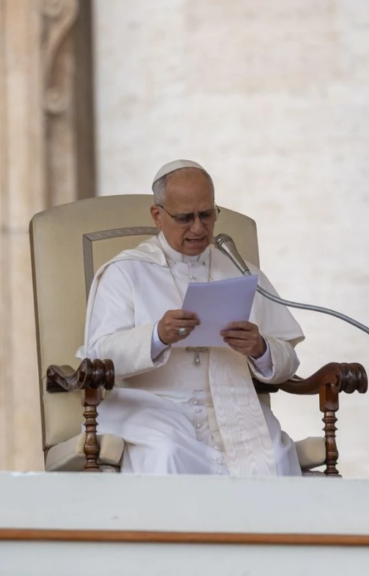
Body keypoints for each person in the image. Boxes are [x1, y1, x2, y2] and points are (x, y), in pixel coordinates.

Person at [79, 159, 303, 475]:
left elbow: (289, 358)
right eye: (185, 217)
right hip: (152, 407)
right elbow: (99, 353)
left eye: (207, 215)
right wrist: (157, 336)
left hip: (234, 406)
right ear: (158, 215)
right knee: (166, 454)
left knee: (275, 458)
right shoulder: (125, 272)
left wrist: (260, 349)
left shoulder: (241, 271)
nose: (198, 228)